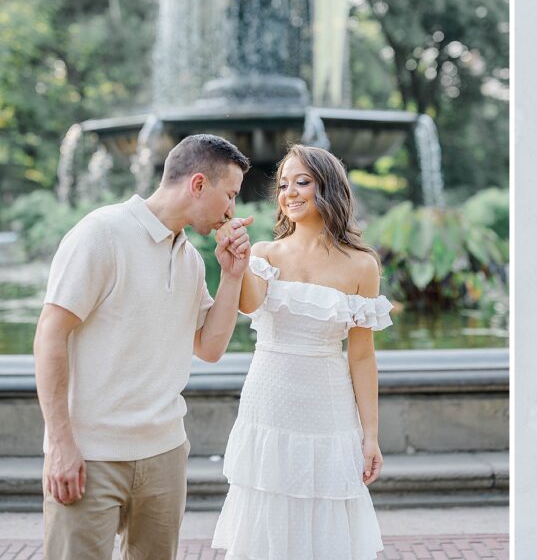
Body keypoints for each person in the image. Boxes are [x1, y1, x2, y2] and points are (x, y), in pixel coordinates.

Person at [33, 134, 253, 560]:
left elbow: (209, 348)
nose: (232, 210)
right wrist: (61, 443)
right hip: (90, 454)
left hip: (165, 455)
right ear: (198, 184)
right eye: (229, 195)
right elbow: (50, 334)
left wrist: (232, 275)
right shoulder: (101, 233)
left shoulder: (189, 258)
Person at [211, 144, 393, 559]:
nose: (289, 193)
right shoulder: (264, 253)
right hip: (269, 399)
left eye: (302, 182)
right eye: (283, 185)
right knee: (267, 506)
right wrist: (237, 260)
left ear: (327, 187)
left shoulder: (362, 265)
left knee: (326, 515)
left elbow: (362, 356)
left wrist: (370, 436)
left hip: (327, 405)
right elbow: (249, 304)